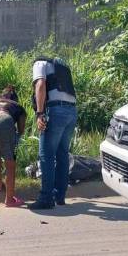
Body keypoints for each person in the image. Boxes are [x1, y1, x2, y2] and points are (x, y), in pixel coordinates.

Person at [29, 56, 78, 210]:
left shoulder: (39, 63)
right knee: (62, 154)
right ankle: (59, 196)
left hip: (55, 111)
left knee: (46, 155)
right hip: (71, 110)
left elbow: (40, 84)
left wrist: (40, 113)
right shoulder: (62, 66)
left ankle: (46, 199)